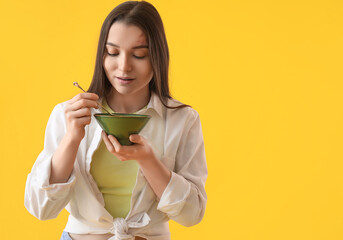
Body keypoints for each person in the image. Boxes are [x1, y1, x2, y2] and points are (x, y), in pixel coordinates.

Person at [24, 1, 207, 240]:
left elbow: (192, 214)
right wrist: (71, 140)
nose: (123, 66)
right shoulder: (68, 115)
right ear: (102, 55)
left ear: (158, 57)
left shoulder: (182, 120)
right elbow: (41, 208)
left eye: (139, 55)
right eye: (113, 52)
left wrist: (148, 160)